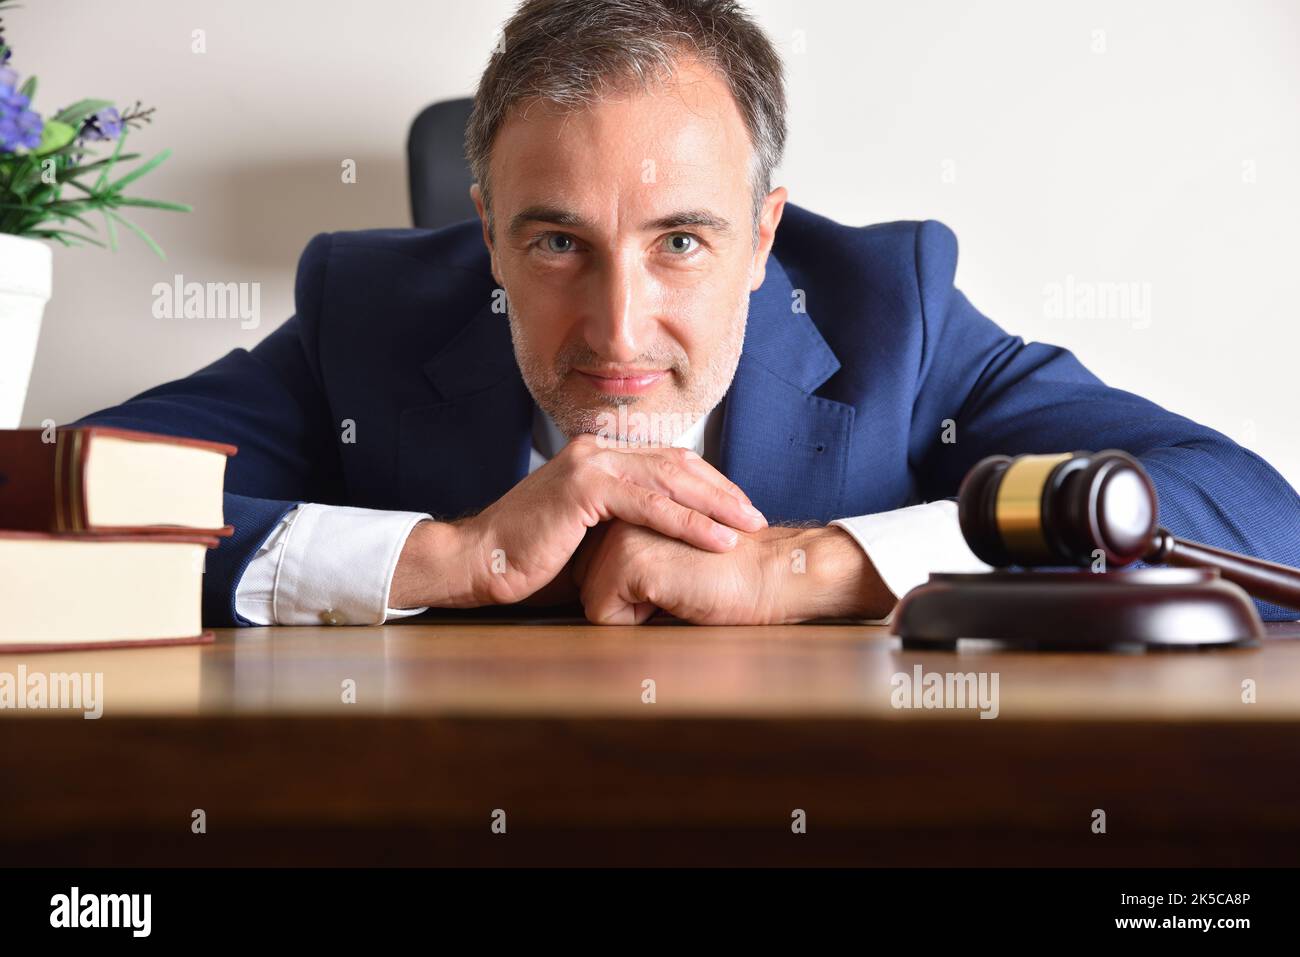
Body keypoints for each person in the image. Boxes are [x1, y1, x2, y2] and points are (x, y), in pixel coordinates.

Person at [77, 0, 1300, 626]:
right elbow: (68, 501)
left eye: (681, 242)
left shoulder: (894, 314)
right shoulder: (374, 314)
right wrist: (449, 556)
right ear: (485, 229)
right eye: (555, 242)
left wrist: (812, 569)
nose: (617, 333)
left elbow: (1253, 518)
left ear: (765, 238)